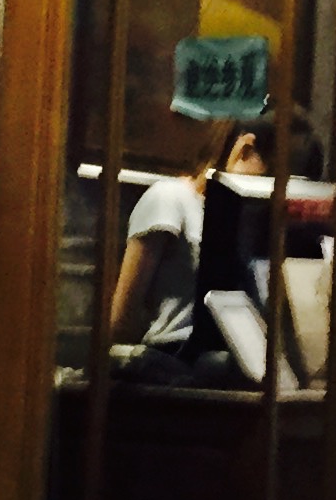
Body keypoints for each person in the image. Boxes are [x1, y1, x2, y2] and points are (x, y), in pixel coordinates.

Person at [109, 117, 267, 354]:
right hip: (173, 352)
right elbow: (124, 314)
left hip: (237, 357)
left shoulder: (250, 218)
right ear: (244, 151)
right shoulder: (170, 199)